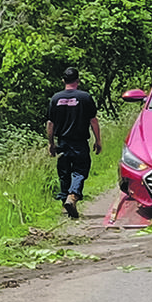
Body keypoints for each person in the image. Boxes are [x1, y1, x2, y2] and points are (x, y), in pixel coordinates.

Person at [47, 67, 102, 218]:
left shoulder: (55, 99)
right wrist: (98, 141)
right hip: (79, 142)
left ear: (63, 81)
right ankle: (72, 196)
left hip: (62, 142)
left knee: (64, 173)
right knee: (80, 170)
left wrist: (51, 144)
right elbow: (93, 120)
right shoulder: (85, 97)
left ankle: (65, 204)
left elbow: (50, 123)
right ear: (77, 80)